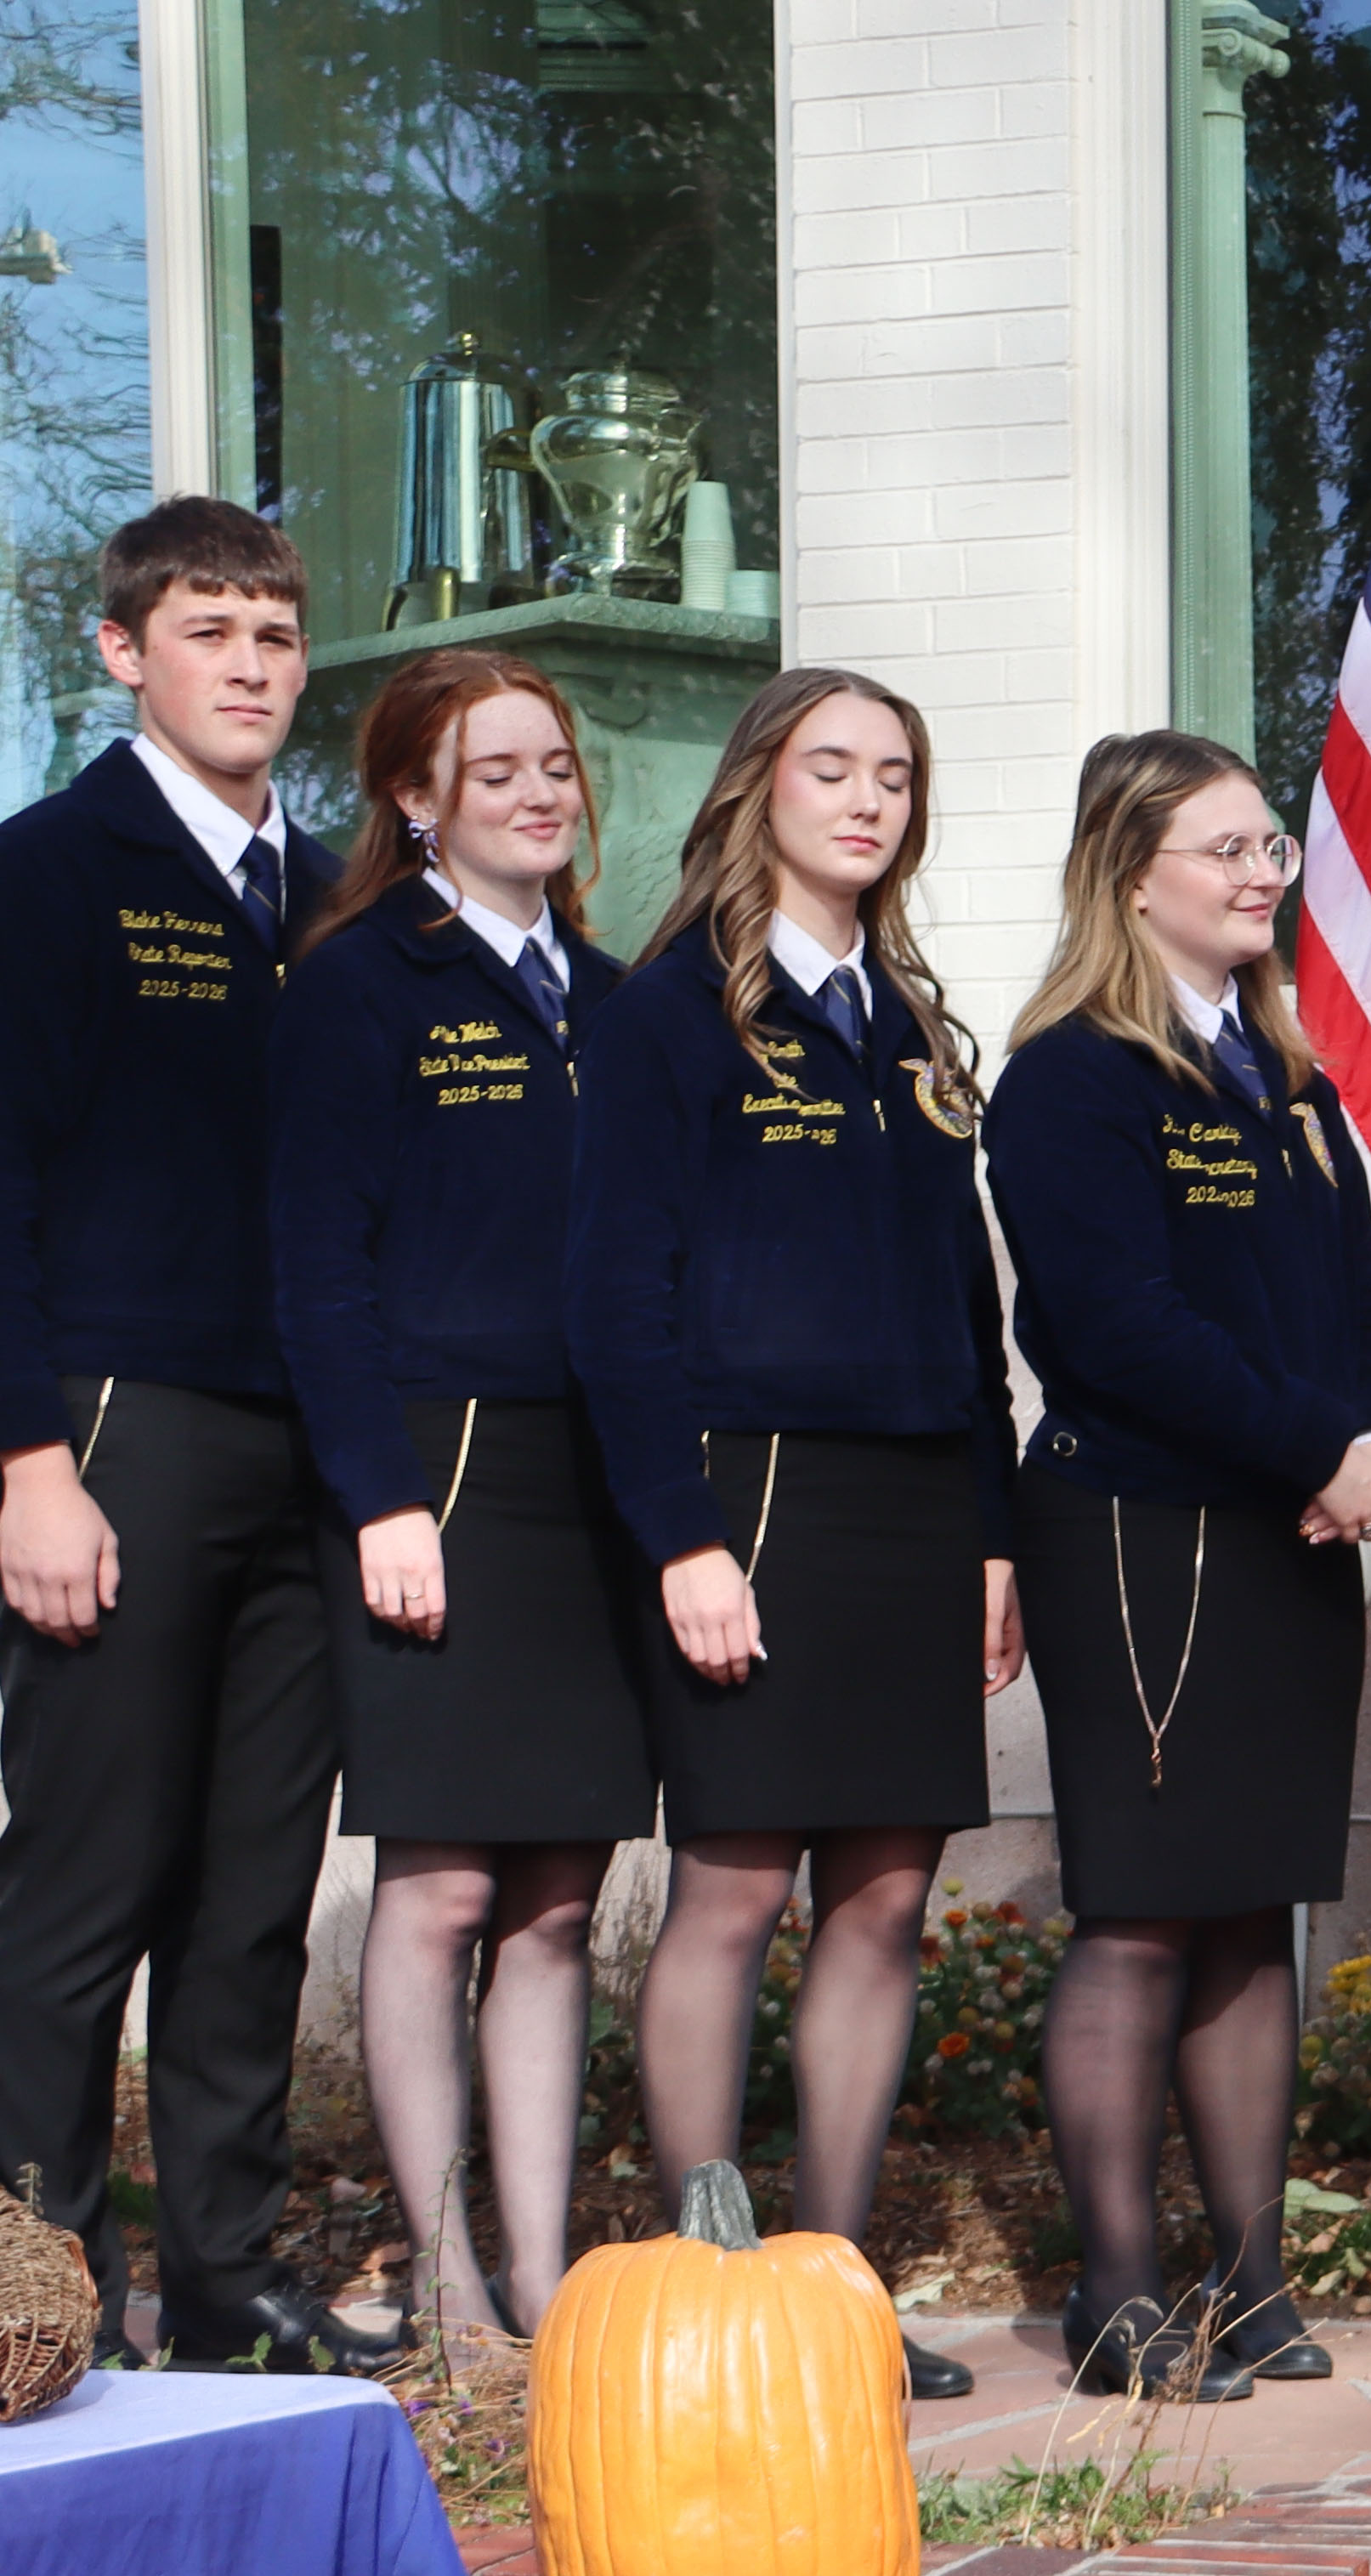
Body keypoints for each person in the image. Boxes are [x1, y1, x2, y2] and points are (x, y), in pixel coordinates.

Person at [0, 498, 382, 2369]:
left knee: (255, 1888)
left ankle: (231, 2278)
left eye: (272, 632)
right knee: (92, 1870)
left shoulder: (338, 905)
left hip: (308, 1452)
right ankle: (36, 2288)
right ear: (125, 653)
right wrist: (25, 1461)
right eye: (206, 630)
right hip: (108, 1433)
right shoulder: (36, 881)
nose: (248, 664)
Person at [563, 668, 1019, 2401]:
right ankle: (714, 2286)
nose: (867, 798)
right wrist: (678, 1534)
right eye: (833, 766)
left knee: (886, 1900)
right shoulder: (670, 1013)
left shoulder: (905, 1022)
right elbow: (616, 1300)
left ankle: (831, 2294)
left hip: (914, 1507)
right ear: (759, 785)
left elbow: (968, 1309)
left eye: (895, 774)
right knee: (734, 1892)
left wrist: (987, 1530)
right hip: (747, 1498)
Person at [985, 730, 1371, 2399]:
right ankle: (1116, 2288)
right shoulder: (1075, 1075)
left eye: (1273, 851)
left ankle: (1250, 2279)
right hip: (1140, 1534)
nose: (1264, 876)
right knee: (1146, 1913)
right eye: (1227, 849)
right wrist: (1313, 1444)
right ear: (1131, 870)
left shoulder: (1289, 1080)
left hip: (1295, 1538)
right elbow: (1113, 1324)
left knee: (1252, 1916)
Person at [269, 648, 645, 2347]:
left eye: (553, 765)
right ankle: (442, 2275)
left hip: (596, 1488)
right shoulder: (359, 983)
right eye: (495, 770)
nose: (536, 793)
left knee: (560, 1896)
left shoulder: (624, 1000)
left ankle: (544, 2276)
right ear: (416, 799)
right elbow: (316, 1271)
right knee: (438, 1890)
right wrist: (378, 1493)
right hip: (442, 1473)